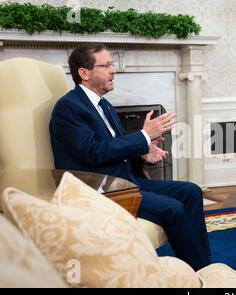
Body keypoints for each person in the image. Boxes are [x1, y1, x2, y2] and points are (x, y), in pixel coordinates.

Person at [49, 43, 211, 271]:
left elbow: (115, 147)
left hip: (126, 181)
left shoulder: (104, 105)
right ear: (84, 73)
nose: (113, 70)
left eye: (111, 64)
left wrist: (143, 153)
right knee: (173, 209)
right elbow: (94, 153)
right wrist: (145, 136)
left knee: (192, 191)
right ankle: (198, 274)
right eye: (105, 65)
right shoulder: (68, 108)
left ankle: (204, 266)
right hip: (100, 190)